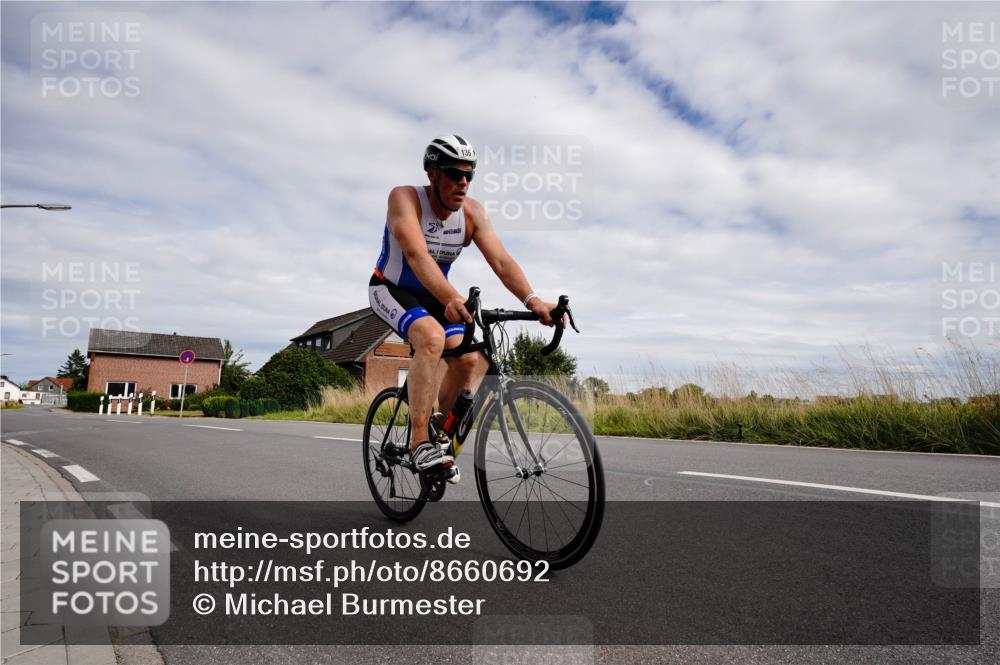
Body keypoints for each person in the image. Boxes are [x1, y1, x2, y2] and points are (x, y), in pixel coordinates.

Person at [368, 134, 557, 481]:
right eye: (454, 174)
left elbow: (501, 260)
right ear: (432, 174)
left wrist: (533, 301)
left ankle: (440, 429)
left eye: (469, 175)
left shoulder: (472, 214)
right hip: (392, 289)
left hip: (437, 295)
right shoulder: (404, 199)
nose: (463, 183)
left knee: (473, 358)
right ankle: (420, 443)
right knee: (430, 337)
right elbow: (415, 254)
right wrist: (451, 298)